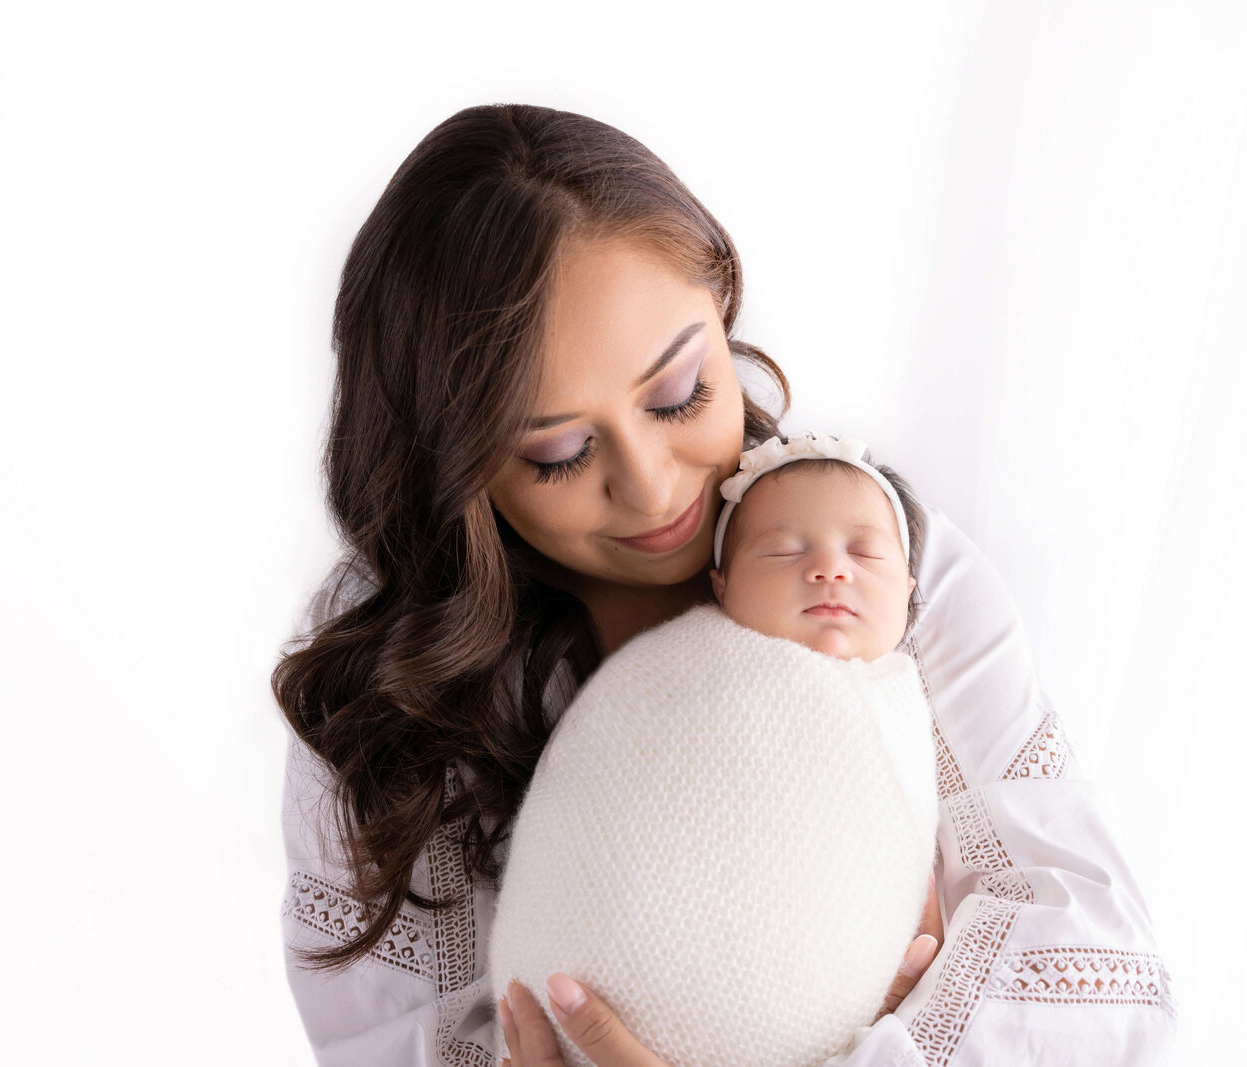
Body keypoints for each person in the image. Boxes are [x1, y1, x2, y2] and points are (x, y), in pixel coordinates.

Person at [274, 103, 1177, 1067]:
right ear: (458, 470)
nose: (654, 484)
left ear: (722, 301)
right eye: (559, 453)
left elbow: (1105, 983)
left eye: (679, 394)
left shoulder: (873, 558)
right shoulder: (388, 683)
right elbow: (376, 1040)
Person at [488, 434, 943, 1067]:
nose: (831, 569)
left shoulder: (904, 703)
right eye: (784, 550)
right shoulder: (671, 672)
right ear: (721, 586)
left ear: (912, 588)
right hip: (580, 991)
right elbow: (589, 798)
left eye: (865, 552)